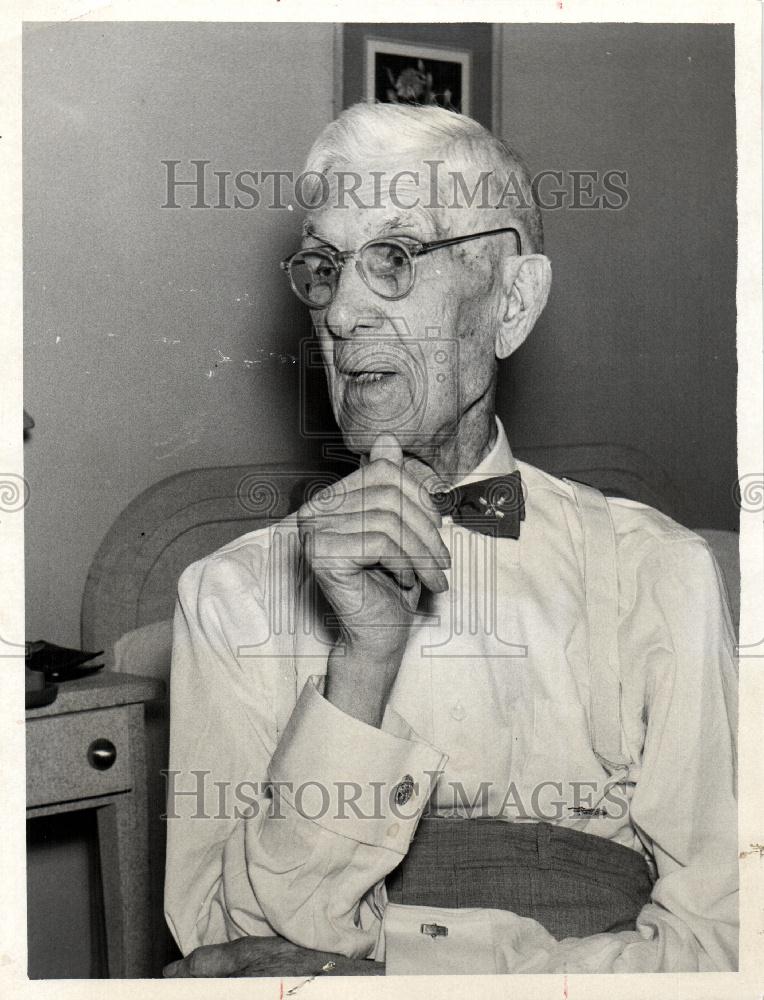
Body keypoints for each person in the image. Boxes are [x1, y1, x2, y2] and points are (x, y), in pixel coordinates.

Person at [162, 102, 738, 977]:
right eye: (323, 267)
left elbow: (724, 945)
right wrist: (362, 664)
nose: (343, 312)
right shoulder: (228, 597)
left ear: (511, 302)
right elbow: (224, 958)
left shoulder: (662, 575)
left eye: (395, 258)